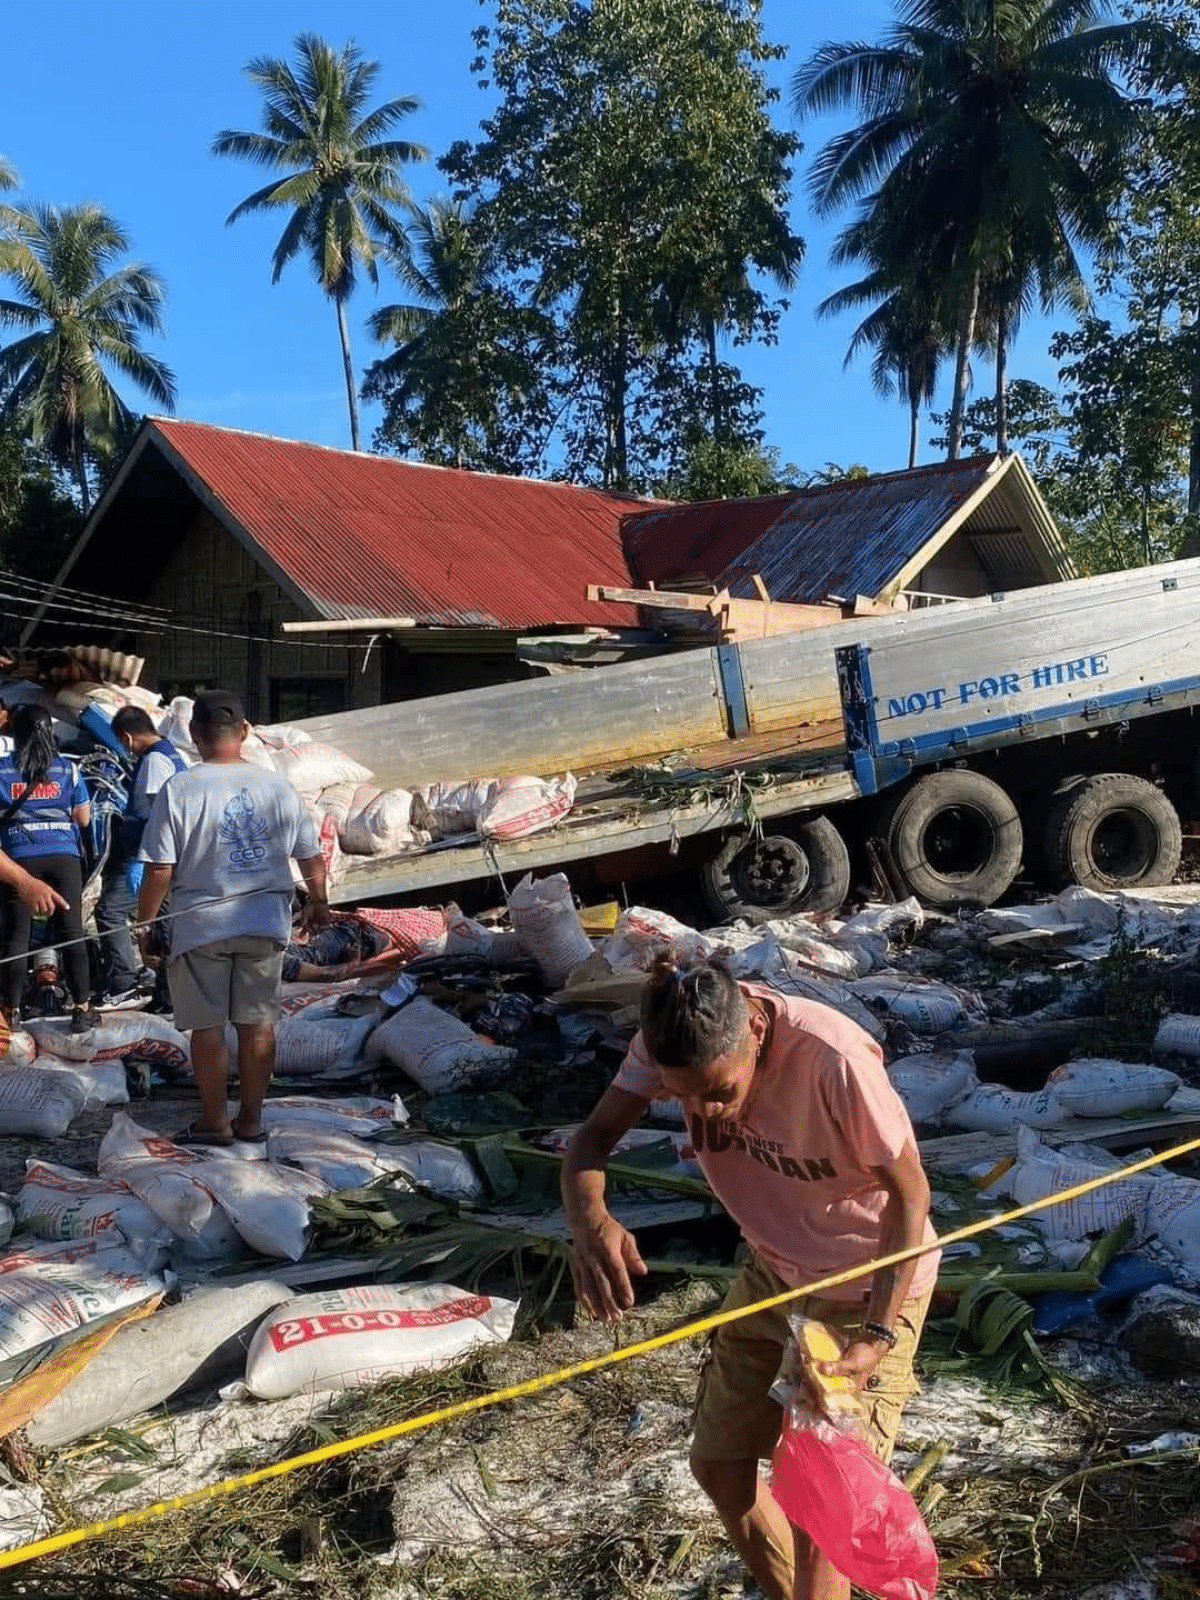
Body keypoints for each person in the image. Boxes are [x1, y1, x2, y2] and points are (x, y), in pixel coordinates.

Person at [563, 958, 939, 1600]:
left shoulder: (833, 1059)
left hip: (862, 1285)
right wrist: (591, 1221)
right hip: (773, 1271)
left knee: (822, 1510)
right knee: (718, 1464)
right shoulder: (669, 1044)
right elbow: (591, 1141)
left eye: (718, 1092)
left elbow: (911, 1197)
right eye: (680, 1096)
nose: (703, 1112)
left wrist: (877, 1333)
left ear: (757, 1030)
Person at [135, 689, 330, 1146]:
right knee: (257, 1023)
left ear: (195, 733)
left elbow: (160, 867)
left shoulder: (180, 787)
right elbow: (310, 854)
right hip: (263, 923)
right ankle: (251, 1121)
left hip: (201, 928)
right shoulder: (277, 787)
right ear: (244, 732)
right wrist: (319, 900)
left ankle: (214, 1122)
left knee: (207, 1028)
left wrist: (145, 924)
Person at [0, 704, 94, 1031]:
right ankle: (82, 1008)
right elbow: (83, 818)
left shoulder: (1, 769)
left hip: (19, 856)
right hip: (64, 857)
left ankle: (11, 1011)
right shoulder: (68, 769)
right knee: (72, 933)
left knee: (16, 936)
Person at [93, 706, 188, 1003]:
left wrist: (147, 861)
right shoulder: (169, 753)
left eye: (123, 743)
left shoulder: (155, 761)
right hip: (158, 856)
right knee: (165, 920)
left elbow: (160, 813)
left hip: (151, 858)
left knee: (112, 911)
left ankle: (128, 984)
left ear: (126, 736)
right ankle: (167, 993)